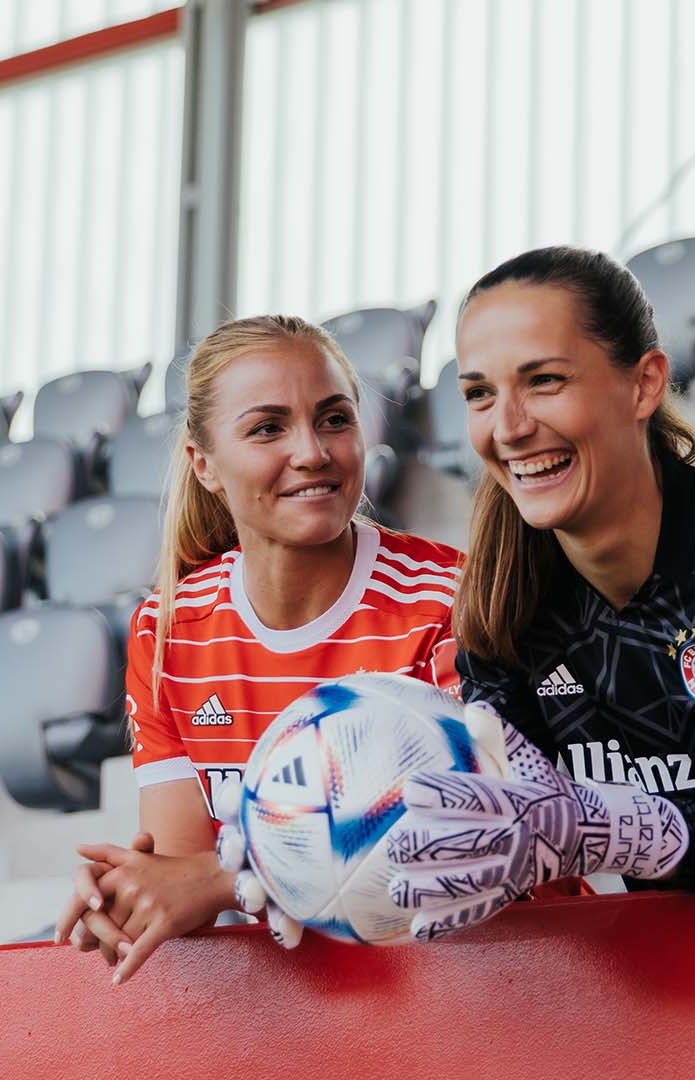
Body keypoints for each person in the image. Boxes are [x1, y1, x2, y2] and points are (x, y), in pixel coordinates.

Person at [383, 246, 695, 942]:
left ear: (644, 384)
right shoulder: (499, 604)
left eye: (545, 380)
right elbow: (499, 829)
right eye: (478, 393)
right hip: (651, 989)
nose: (508, 426)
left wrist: (619, 830)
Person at [54, 315, 465, 983]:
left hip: (494, 974)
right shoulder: (169, 629)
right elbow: (182, 878)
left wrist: (222, 878)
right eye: (268, 428)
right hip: (311, 999)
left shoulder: (450, 596)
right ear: (204, 465)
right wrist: (128, 897)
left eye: (335, 419)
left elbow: (452, 837)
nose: (312, 452)